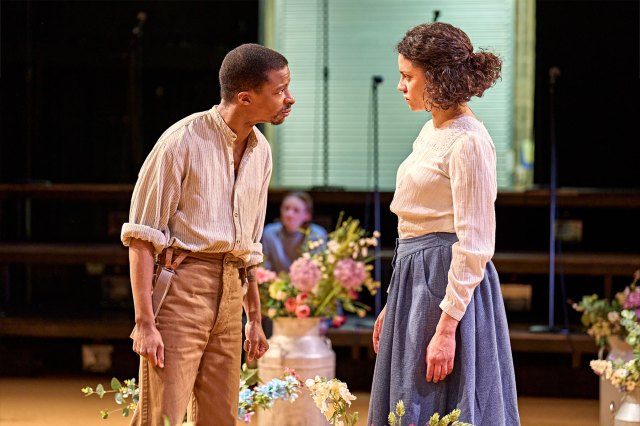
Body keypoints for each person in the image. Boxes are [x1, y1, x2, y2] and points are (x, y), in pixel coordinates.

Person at [120, 43, 295, 426]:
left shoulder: (261, 150)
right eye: (280, 90)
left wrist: (253, 315)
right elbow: (141, 237)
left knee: (221, 416)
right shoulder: (182, 140)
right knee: (162, 413)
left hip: (231, 290)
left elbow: (249, 245)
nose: (289, 98)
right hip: (183, 286)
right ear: (246, 98)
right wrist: (145, 323)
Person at [368, 23, 520, 426]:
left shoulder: (468, 141)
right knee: (406, 398)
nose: (401, 85)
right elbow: (413, 223)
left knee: (438, 400)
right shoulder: (433, 128)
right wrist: (393, 300)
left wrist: (447, 327)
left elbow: (475, 242)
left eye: (407, 76)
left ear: (435, 77)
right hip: (415, 280)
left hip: (445, 283)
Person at [261, 191, 327, 273]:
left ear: (307, 215)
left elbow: (319, 269)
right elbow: (265, 266)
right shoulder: (269, 232)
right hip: (275, 283)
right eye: (286, 208)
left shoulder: (317, 235)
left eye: (296, 210)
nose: (289, 214)